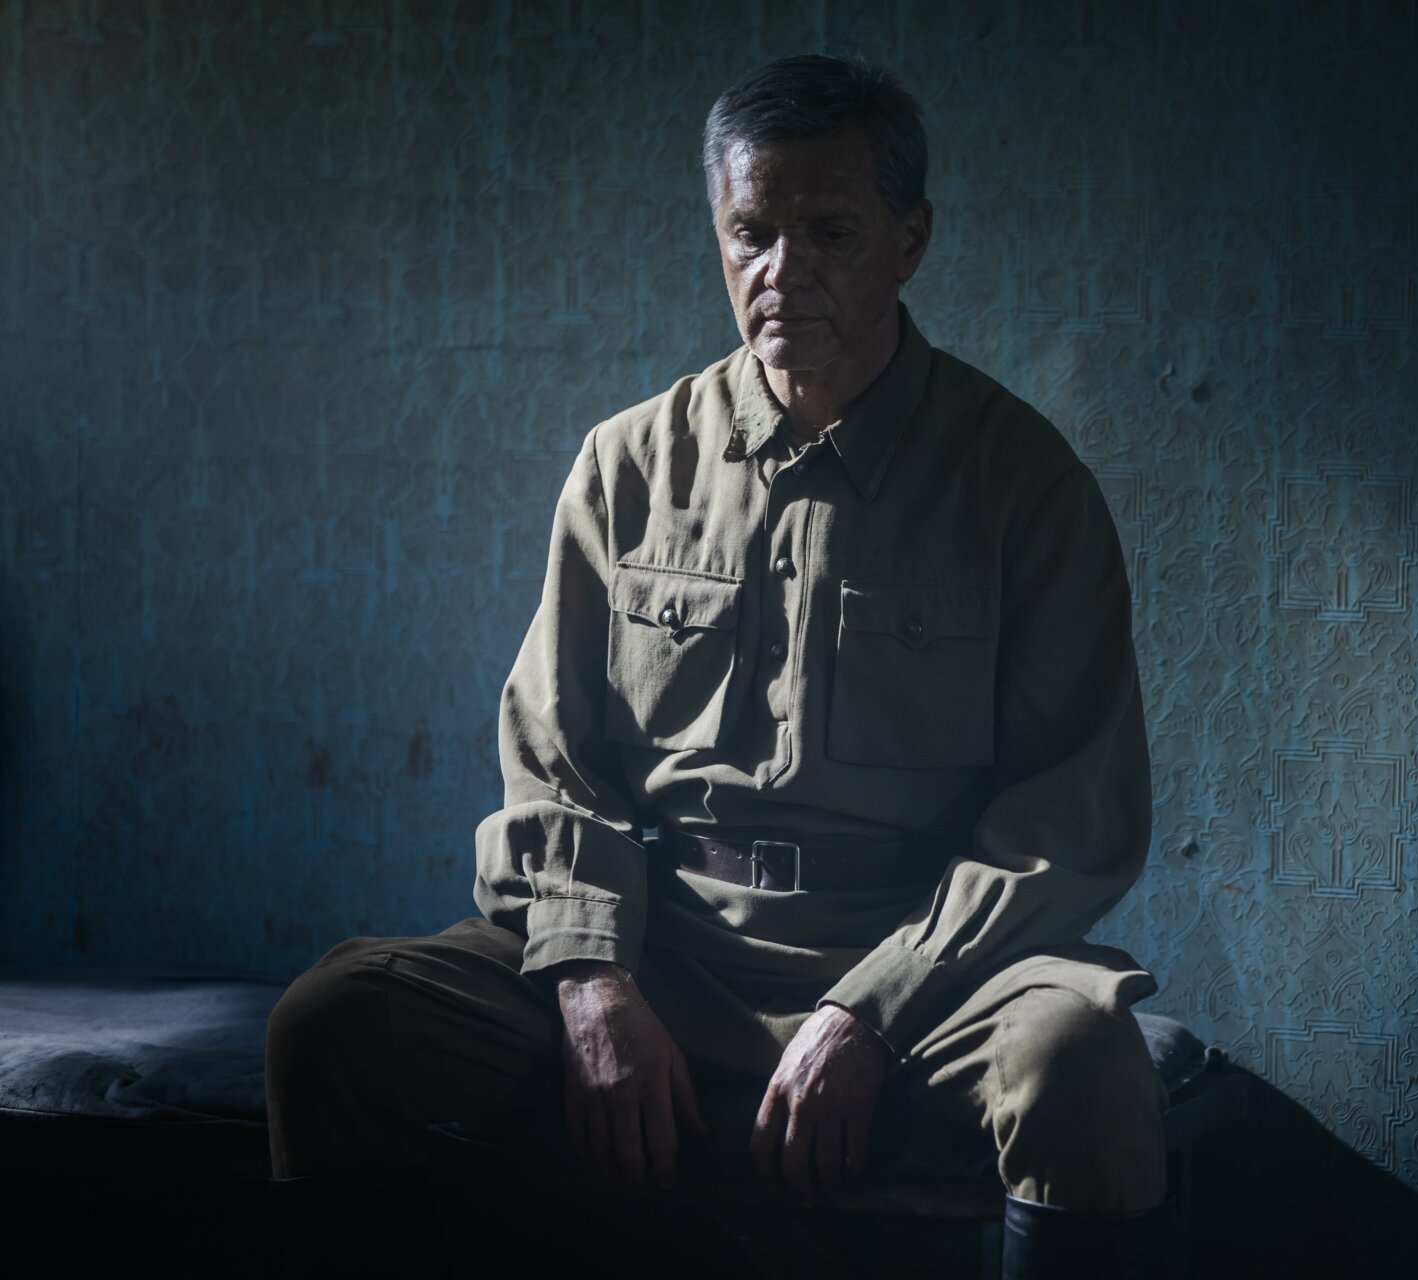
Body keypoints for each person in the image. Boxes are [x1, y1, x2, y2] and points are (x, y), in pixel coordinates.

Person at [266, 52, 1170, 1278]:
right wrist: (592, 978)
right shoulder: (627, 466)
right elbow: (557, 765)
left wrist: (867, 1010)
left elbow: (1064, 822)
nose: (782, 271)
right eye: (751, 233)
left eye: (830, 231)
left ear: (910, 241)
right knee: (332, 1021)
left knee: (1084, 1062)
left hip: (925, 970)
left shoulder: (1024, 486)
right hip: (668, 948)